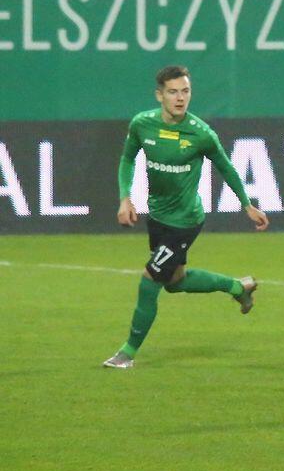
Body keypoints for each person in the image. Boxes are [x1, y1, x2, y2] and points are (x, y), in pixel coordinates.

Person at [103, 66, 269, 370]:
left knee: (150, 280)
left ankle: (127, 353)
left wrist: (247, 204)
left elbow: (226, 167)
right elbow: (127, 158)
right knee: (175, 282)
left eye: (185, 91)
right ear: (159, 95)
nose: (180, 98)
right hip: (158, 217)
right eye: (173, 92)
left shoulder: (201, 133)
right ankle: (237, 287)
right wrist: (125, 197)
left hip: (185, 221)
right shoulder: (142, 124)